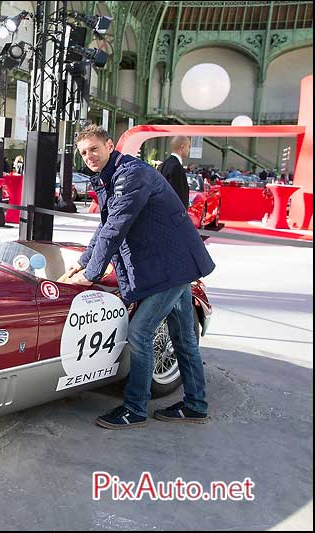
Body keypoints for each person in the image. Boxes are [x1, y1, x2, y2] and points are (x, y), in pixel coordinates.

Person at [63, 123, 215, 429]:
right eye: (83, 152)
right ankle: (196, 404)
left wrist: (90, 275)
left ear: (108, 145)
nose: (89, 156)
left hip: (170, 266)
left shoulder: (130, 175)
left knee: (140, 332)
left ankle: (134, 408)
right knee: (183, 336)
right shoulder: (111, 176)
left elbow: (116, 227)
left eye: (94, 148)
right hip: (172, 264)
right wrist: (82, 263)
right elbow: (105, 228)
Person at [158, 136, 190, 208]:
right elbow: (178, 195)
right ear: (182, 147)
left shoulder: (164, 164)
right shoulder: (176, 167)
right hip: (174, 213)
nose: (189, 150)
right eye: (188, 146)